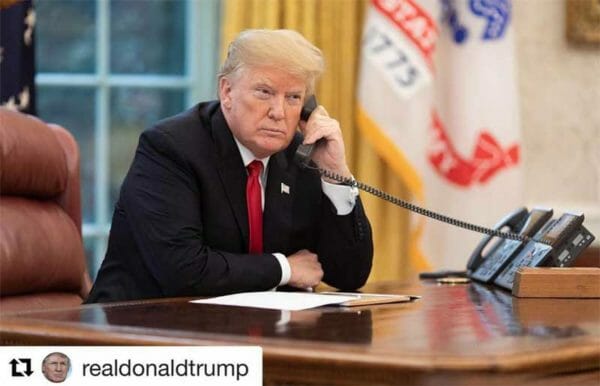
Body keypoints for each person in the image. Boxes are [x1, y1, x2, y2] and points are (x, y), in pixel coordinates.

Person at [85, 29, 373, 303]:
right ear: (227, 91)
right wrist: (285, 268)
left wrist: (337, 174)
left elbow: (348, 274)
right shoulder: (170, 148)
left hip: (246, 331)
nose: (278, 112)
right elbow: (183, 271)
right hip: (136, 328)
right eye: (264, 92)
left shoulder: (301, 156)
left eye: (293, 98)